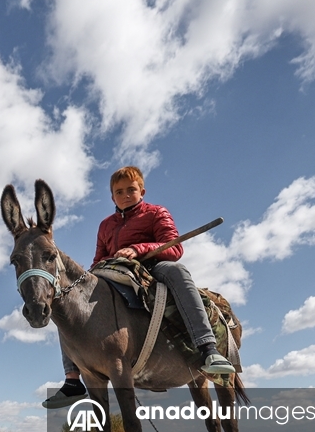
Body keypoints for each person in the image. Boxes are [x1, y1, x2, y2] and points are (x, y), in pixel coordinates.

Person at [44, 166, 235, 409]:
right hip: (115, 272)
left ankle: (208, 349)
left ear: (141, 191)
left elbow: (174, 249)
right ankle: (72, 379)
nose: (125, 195)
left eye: (131, 190)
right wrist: (94, 272)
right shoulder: (105, 225)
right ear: (112, 197)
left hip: (154, 266)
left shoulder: (156, 213)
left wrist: (138, 249)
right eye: (119, 191)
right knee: (70, 299)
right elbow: (98, 258)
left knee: (179, 271)